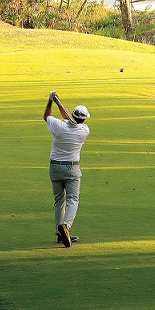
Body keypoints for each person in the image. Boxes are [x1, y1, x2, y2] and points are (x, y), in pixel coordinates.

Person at [43, 91, 90, 247]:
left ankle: (59, 232)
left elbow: (47, 116)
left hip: (55, 167)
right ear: (83, 118)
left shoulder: (59, 126)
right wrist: (57, 102)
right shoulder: (84, 131)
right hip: (72, 169)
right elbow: (70, 118)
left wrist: (52, 101)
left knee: (59, 200)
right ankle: (66, 226)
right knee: (73, 200)